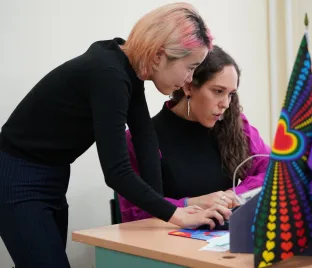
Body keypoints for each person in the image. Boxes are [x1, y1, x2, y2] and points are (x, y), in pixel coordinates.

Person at [0, 3, 231, 268]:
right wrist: (174, 213)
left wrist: (162, 211)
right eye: (190, 67)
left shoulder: (127, 69)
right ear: (159, 55)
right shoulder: (109, 74)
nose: (189, 78)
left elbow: (146, 140)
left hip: (52, 175)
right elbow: (116, 171)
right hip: (17, 176)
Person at [118, 45, 271, 222]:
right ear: (189, 87)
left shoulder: (236, 125)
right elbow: (133, 212)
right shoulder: (138, 139)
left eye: (231, 94)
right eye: (218, 91)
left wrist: (234, 195)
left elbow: (272, 170)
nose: (226, 104)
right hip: (165, 242)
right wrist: (189, 204)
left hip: (220, 239)